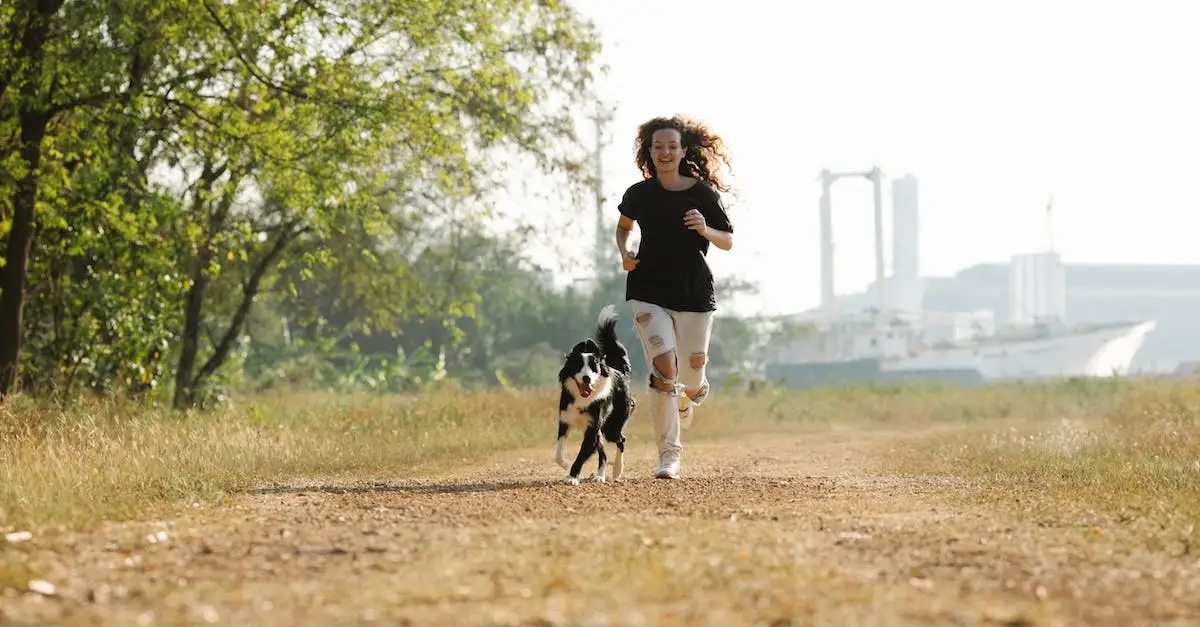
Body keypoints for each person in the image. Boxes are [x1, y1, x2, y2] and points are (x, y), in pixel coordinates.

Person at [612, 114, 735, 480]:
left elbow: (727, 240)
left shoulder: (701, 193)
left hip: (693, 292)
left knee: (691, 375)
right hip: (648, 289)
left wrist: (705, 228)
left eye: (672, 146)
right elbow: (622, 228)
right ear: (649, 152)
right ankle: (669, 455)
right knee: (664, 369)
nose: (665, 152)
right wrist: (624, 252)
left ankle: (691, 394)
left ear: (683, 151)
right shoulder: (639, 193)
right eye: (658, 146)